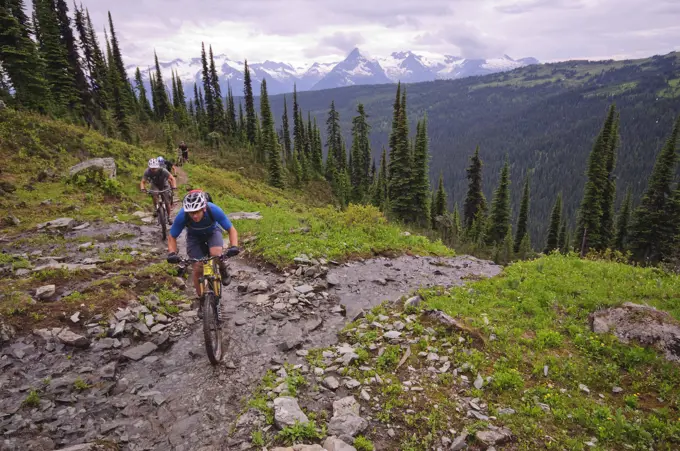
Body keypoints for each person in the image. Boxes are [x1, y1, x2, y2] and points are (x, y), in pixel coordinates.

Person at [166, 190, 239, 313]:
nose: (194, 216)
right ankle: (201, 299)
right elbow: (172, 236)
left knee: (216, 254)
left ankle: (222, 268)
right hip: (194, 237)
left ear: (203, 209)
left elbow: (231, 229)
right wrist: (172, 253)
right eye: (191, 213)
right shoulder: (182, 215)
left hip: (212, 232)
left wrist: (234, 246)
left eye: (197, 212)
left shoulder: (213, 210)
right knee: (198, 267)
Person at [140, 158, 177, 224]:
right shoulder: (147, 171)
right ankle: (155, 208)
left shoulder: (163, 170)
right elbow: (143, 181)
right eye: (152, 168)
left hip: (164, 184)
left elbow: (172, 178)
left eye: (155, 168)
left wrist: (174, 186)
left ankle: (169, 217)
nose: (153, 169)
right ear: (149, 167)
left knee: (167, 202)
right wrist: (142, 188)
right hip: (155, 185)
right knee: (154, 194)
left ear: (158, 166)